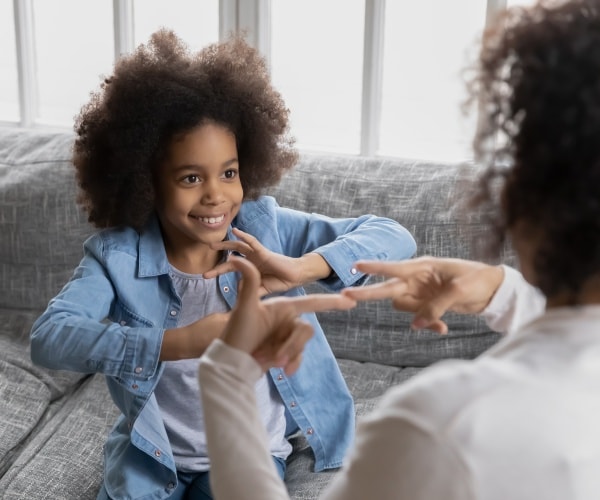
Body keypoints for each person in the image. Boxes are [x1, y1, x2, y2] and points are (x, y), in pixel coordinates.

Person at [197, 0, 600, 498]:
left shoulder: (443, 425)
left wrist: (226, 376)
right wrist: (503, 291)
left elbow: (387, 233)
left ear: (524, 197)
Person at [29, 30, 416, 500]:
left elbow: (394, 236)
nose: (216, 195)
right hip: (153, 456)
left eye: (229, 173)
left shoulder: (264, 228)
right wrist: (179, 342)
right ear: (145, 182)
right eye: (191, 177)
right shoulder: (116, 257)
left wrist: (300, 269)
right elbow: (50, 338)